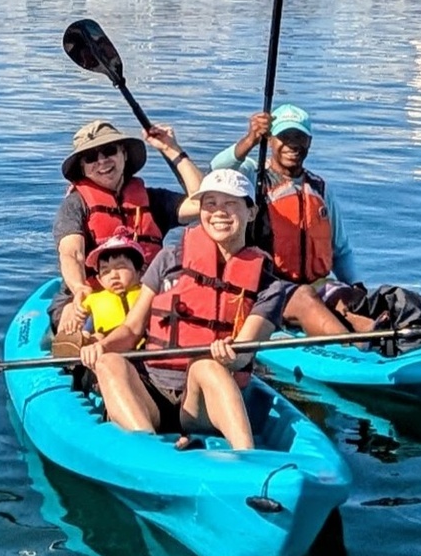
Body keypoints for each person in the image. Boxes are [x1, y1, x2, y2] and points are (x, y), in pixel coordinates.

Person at [79, 169, 297, 451]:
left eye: (231, 203)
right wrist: (101, 346)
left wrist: (230, 355)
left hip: (202, 403)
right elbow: (132, 330)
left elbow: (242, 351)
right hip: (152, 391)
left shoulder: (268, 284)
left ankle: (246, 457)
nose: (219, 212)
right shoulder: (169, 258)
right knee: (109, 361)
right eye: (210, 204)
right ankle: (148, 449)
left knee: (207, 366)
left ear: (251, 212)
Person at [211, 103, 361, 339]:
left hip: (315, 283)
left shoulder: (320, 188)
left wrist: (356, 285)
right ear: (270, 140)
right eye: (285, 136)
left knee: (352, 300)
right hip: (268, 288)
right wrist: (250, 140)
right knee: (305, 298)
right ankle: (352, 351)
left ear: (309, 142)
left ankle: (375, 338)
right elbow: (217, 169)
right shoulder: (253, 177)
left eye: (299, 137)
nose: (293, 145)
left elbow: (341, 250)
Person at [54, 118, 205, 335]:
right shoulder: (75, 204)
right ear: (82, 168)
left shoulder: (153, 200)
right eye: (90, 157)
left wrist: (172, 150)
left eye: (109, 151)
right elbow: (72, 253)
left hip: (145, 294)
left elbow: (203, 203)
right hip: (92, 295)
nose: (102, 161)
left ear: (124, 154)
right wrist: (78, 288)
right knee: (75, 320)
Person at [79, 237, 147, 335]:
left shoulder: (147, 294)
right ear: (99, 280)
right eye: (106, 271)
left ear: (140, 272)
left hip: (145, 346)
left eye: (120, 267)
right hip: (106, 345)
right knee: (94, 336)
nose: (113, 275)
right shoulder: (95, 300)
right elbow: (85, 322)